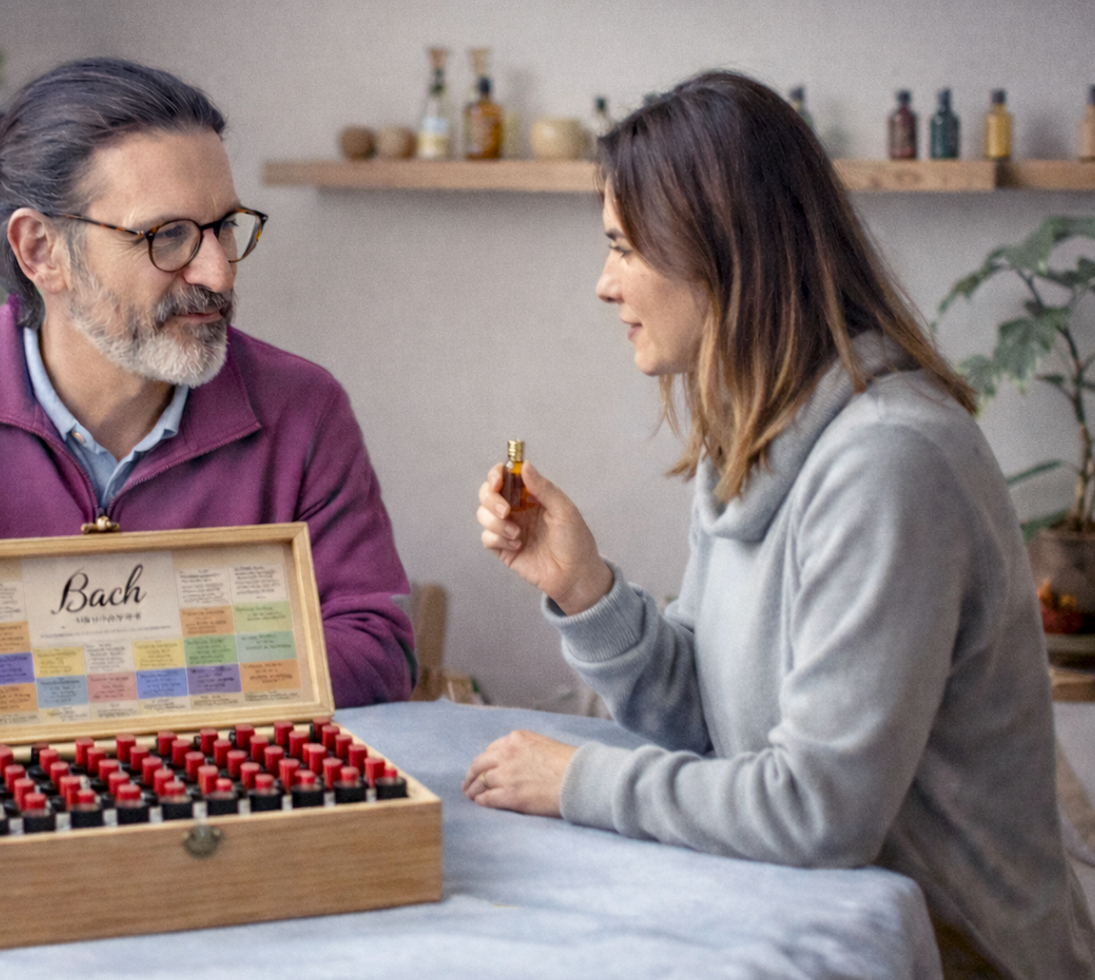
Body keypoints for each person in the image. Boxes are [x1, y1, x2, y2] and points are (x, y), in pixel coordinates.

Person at [464, 71, 1095, 979]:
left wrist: (578, 781)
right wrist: (584, 586)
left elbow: (817, 809)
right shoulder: (756, 438)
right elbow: (718, 720)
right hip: (820, 912)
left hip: (961, 956)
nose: (603, 285)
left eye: (620, 245)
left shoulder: (888, 461)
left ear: (717, 248)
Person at [0, 58, 413, 735]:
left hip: (224, 802)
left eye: (225, 227)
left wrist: (135, 693)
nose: (218, 270)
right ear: (41, 250)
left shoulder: (303, 410)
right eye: (168, 236)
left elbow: (374, 639)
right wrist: (32, 707)